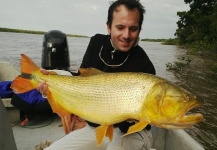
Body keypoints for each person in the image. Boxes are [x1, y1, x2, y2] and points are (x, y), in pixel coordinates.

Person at [39, 0, 156, 149]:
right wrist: (54, 77)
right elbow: (81, 81)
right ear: (109, 27)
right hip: (96, 127)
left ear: (139, 30)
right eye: (120, 27)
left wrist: (133, 117)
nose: (126, 35)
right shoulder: (96, 43)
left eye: (133, 29)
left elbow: (137, 124)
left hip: (131, 132)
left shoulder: (145, 66)